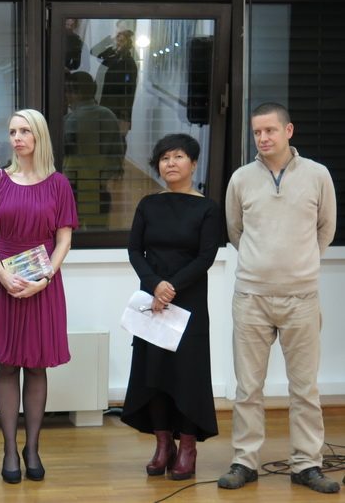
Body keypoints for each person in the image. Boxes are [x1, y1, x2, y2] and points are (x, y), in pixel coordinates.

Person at [219, 103, 340, 494]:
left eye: (270, 130)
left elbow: (326, 229)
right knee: (247, 388)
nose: (263, 138)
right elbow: (235, 230)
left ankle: (307, 464)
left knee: (304, 388)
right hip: (251, 297)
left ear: (288, 130)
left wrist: (299, 265)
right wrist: (262, 264)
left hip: (301, 298)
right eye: (257, 132)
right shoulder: (241, 179)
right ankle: (244, 461)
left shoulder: (318, 175)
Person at [0, 109, 77, 484]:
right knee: (6, 366)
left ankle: (32, 448)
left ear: (39, 136)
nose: (16, 138)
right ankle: (8, 449)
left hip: (42, 285)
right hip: (5, 281)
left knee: (36, 366)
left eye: (24, 131)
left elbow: (64, 239)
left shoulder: (58, 184)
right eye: (12, 131)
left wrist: (45, 278)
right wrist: (2, 274)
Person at [122, 134, 221, 481]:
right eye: (164, 158)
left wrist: (171, 286)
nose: (171, 163)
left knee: (187, 373)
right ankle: (163, 444)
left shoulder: (207, 208)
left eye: (178, 156)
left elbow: (206, 256)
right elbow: (135, 250)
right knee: (153, 373)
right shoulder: (148, 204)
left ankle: (188, 447)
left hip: (188, 301)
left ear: (193, 163)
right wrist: (155, 285)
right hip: (153, 300)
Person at [63, 71, 125, 229]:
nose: (66, 96)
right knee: (98, 234)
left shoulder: (69, 121)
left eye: (68, 92)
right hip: (99, 188)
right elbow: (117, 154)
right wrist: (103, 178)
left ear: (76, 93)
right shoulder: (109, 115)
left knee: (73, 237)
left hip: (74, 189)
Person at [96, 29, 138, 136]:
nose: (119, 43)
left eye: (122, 41)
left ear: (128, 44)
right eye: (118, 40)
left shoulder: (129, 62)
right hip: (106, 102)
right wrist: (110, 41)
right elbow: (95, 52)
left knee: (116, 137)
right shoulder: (113, 57)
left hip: (118, 106)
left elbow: (129, 89)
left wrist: (125, 113)